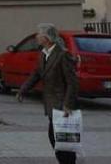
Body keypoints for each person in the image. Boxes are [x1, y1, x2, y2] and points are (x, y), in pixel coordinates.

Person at [16, 23, 79, 164]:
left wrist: (68, 104)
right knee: (56, 138)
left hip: (62, 105)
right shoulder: (43, 54)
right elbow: (36, 74)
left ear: (47, 38)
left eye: (39, 34)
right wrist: (23, 90)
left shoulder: (62, 55)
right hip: (52, 105)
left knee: (61, 139)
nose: (37, 36)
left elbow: (72, 82)